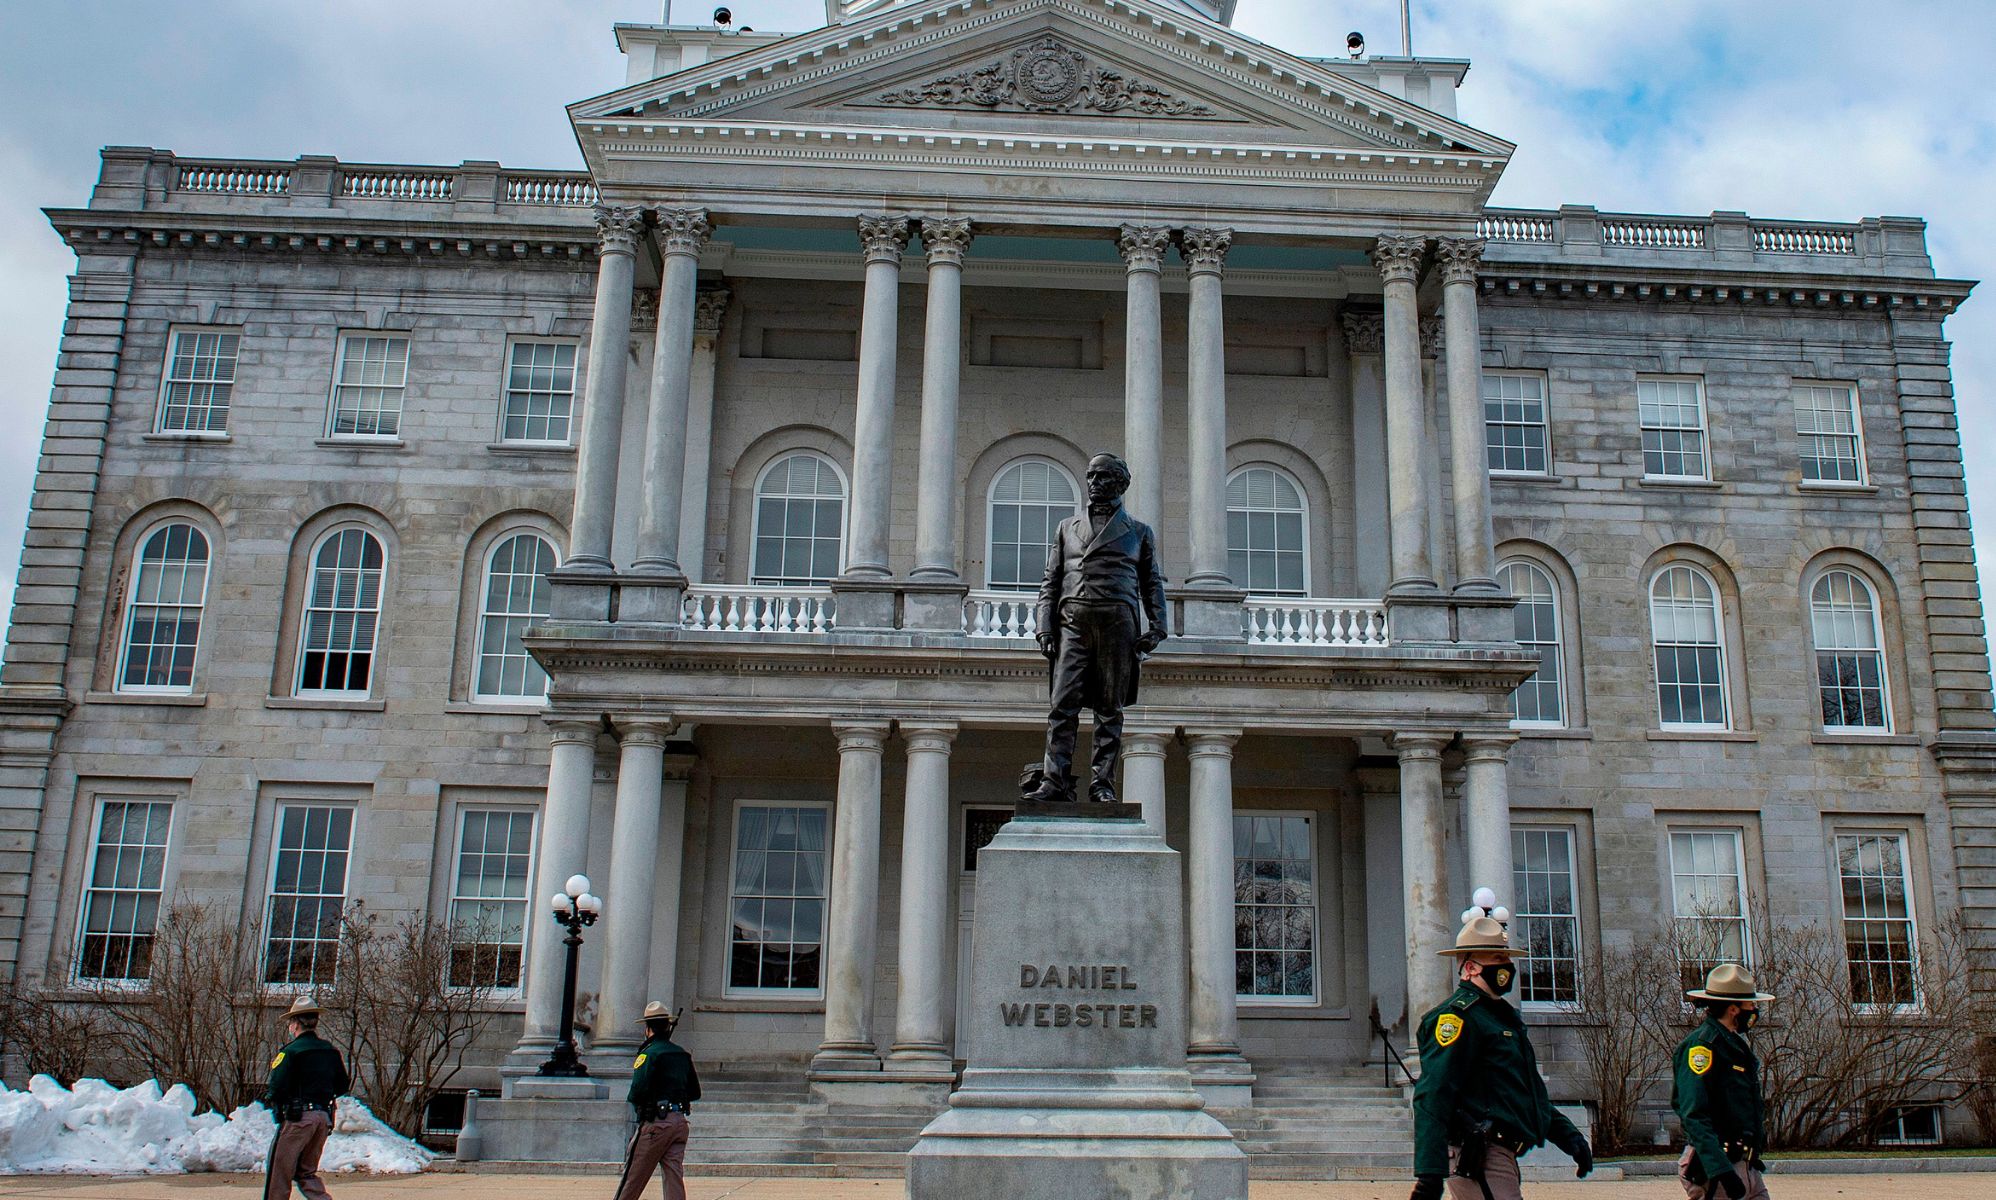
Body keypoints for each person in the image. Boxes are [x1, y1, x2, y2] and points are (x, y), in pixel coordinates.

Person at [1410, 915, 1592, 1200]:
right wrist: (1430, 1173)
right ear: (1469, 968)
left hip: (1501, 1153)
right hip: (1478, 1154)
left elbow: (1523, 1092)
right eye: (1496, 959)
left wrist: (1569, 1136)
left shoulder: (1501, 1018)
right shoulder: (1457, 1018)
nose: (1505, 967)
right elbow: (1434, 1094)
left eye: (1506, 958)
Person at [1026, 451, 1168, 804]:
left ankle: (1102, 784)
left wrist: (1158, 625)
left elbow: (1152, 583)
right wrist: (1044, 628)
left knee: (1109, 710)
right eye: (1091, 476)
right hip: (1072, 621)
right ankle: (1054, 780)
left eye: (1103, 477)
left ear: (1120, 483)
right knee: (1062, 705)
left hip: (1117, 623)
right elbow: (1051, 581)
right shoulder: (1066, 528)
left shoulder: (1138, 531)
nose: (1094, 483)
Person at [1674, 964, 1774, 1200]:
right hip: (1716, 1166)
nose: (1754, 1011)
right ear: (1733, 1009)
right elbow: (1693, 1114)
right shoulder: (1703, 1047)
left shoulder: (1734, 1045)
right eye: (1750, 1005)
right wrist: (1721, 1170)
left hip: (1744, 1164)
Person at [613, 1001, 702, 1200]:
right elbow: (695, 1092)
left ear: (648, 1028)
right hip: (679, 1122)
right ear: (667, 1026)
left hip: (656, 1124)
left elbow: (636, 1091)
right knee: (673, 1178)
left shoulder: (649, 1054)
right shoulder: (682, 1054)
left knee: (633, 1177)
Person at [264, 995, 349, 1200]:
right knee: (306, 1172)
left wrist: (277, 1101)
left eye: (291, 1023)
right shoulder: (330, 1051)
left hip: (297, 1118)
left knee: (279, 1172)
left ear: (295, 1024)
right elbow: (342, 1085)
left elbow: (276, 1087)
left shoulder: (291, 1052)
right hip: (323, 1118)